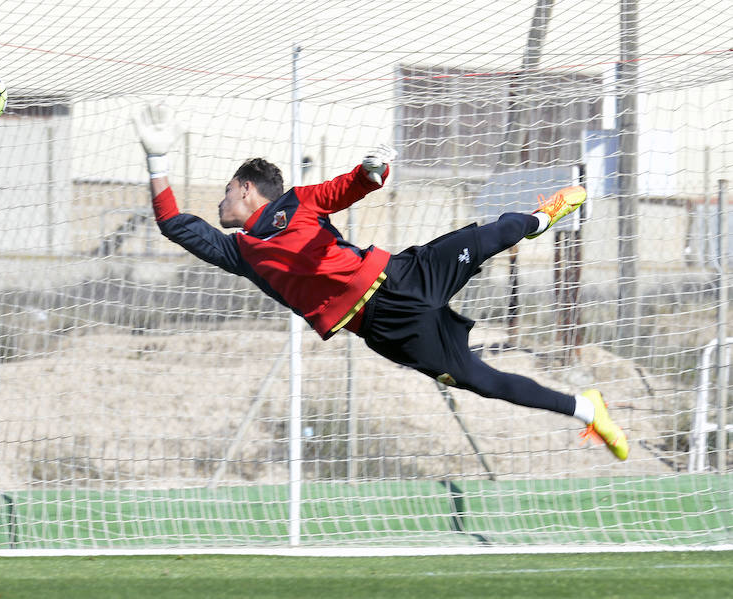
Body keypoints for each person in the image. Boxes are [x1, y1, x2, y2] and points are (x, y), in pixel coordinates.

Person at [132, 103, 629, 461]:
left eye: (225, 193)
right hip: (384, 327)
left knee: (484, 236)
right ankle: (588, 410)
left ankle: (543, 217)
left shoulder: (299, 202)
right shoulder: (238, 251)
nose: (219, 204)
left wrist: (375, 170)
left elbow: (353, 186)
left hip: (399, 276)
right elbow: (175, 223)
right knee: (481, 381)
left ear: (245, 189)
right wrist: (157, 160)